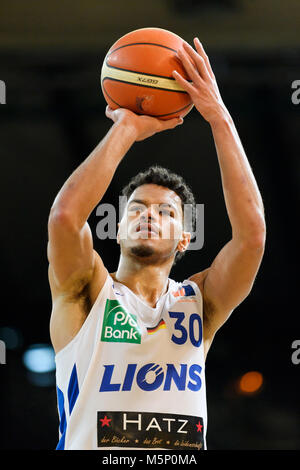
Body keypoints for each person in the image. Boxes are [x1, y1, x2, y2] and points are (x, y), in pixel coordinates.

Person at [47, 38, 266, 450]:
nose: (149, 215)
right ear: (116, 228)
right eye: (137, 209)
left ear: (186, 238)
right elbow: (64, 218)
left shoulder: (201, 301)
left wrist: (218, 116)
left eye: (166, 212)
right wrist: (126, 128)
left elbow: (252, 237)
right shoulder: (86, 291)